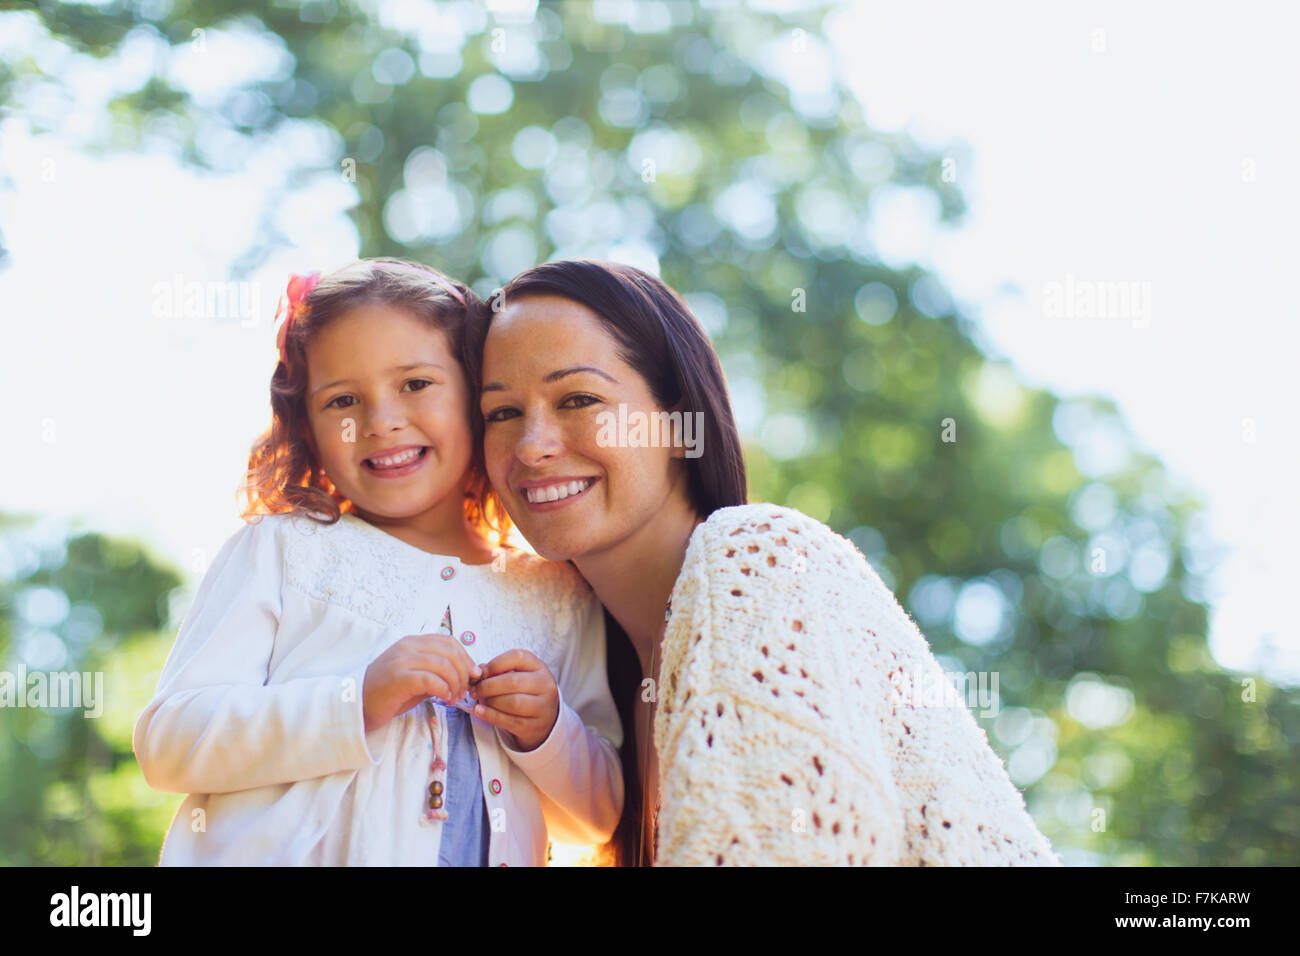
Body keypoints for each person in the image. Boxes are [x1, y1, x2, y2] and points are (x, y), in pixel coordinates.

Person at [467, 258, 1061, 866]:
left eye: (579, 399)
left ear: (680, 424)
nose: (532, 445)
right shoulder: (594, 689)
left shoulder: (757, 559)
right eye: (502, 414)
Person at [132, 258, 622, 865]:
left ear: (475, 396)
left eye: (416, 384)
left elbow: (599, 819)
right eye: (342, 399)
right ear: (306, 428)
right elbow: (170, 741)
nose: (381, 422)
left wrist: (548, 730)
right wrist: (354, 701)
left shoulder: (558, 594)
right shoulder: (285, 551)